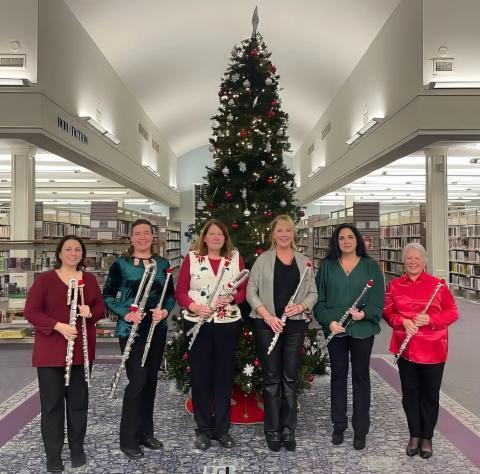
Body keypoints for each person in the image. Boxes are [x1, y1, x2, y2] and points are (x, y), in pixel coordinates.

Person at [24, 235, 105, 473]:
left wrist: (90, 312)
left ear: (82, 254)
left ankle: (77, 449)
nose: (73, 253)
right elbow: (31, 311)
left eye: (77, 249)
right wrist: (58, 326)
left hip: (81, 352)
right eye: (68, 249)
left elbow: (100, 307)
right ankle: (53, 454)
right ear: (59, 253)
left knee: (79, 404)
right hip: (50, 352)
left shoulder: (89, 280)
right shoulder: (45, 280)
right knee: (52, 405)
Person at [103, 219, 175, 460]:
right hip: (131, 330)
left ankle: (146, 433)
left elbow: (170, 295)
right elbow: (108, 295)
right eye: (138, 234)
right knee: (137, 382)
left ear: (153, 237)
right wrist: (126, 312)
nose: (143, 238)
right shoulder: (120, 264)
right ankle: (128, 439)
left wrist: (164, 311)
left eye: (147, 233)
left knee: (151, 381)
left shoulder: (163, 263)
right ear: (131, 238)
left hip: (156, 329)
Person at [246, 214, 317, 452]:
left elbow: (313, 294)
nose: (284, 234)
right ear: (273, 234)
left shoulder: (304, 260)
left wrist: (301, 306)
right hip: (267, 325)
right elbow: (250, 292)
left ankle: (288, 430)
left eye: (288, 230)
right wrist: (267, 316)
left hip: (295, 325)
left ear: (293, 233)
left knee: (290, 378)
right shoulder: (263, 260)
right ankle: (272, 430)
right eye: (280, 231)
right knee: (272, 378)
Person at [175, 219, 247, 450]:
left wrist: (234, 298)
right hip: (198, 322)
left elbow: (244, 289)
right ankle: (203, 429)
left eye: (220, 234)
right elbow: (181, 291)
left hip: (228, 323)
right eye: (212, 234)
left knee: (224, 376)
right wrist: (193, 306)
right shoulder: (192, 258)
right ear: (204, 237)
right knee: (201, 376)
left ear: (225, 238)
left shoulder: (235, 258)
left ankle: (222, 430)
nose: (216, 238)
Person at [384, 243, 458, 459]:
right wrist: (402, 321)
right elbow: (388, 312)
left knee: (430, 396)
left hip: (433, 349)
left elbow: (452, 312)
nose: (413, 262)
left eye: (417, 259)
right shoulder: (395, 285)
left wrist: (431, 319)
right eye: (409, 259)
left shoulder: (439, 285)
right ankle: (414, 435)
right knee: (410, 395)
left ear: (424, 261)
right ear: (404, 262)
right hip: (406, 349)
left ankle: (427, 437)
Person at [314, 223, 384, 451]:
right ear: (336, 241)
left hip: (362, 331)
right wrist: (328, 322)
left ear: (357, 240)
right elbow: (319, 299)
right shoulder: (326, 267)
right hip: (336, 330)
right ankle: (339, 425)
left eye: (350, 237)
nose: (346, 241)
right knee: (338, 377)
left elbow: (378, 300)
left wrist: (365, 314)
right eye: (341, 237)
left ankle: (360, 429)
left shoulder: (370, 266)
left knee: (361, 378)